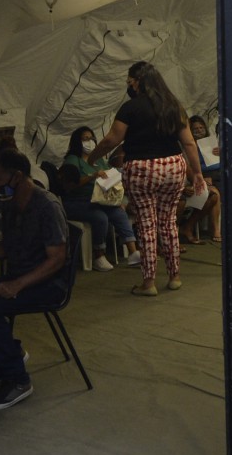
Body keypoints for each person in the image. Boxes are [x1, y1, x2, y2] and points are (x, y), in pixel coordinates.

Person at [0, 147, 68, 411]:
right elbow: (9, 246)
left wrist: (17, 284)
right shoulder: (11, 204)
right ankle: (9, 356)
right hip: (22, 276)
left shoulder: (47, 206)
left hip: (48, 284)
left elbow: (56, 260)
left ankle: (18, 380)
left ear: (17, 177)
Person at [86, 60, 205, 297]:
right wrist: (198, 173)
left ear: (138, 82)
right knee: (168, 221)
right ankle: (174, 277)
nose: (129, 86)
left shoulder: (130, 108)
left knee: (147, 225)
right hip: (173, 166)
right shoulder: (174, 106)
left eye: (130, 82)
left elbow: (112, 139)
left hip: (141, 168)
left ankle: (149, 282)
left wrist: (92, 158)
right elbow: (189, 142)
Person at [59, 126, 138, 271]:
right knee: (100, 217)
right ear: (78, 141)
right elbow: (70, 185)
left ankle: (133, 252)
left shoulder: (99, 159)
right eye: (85, 139)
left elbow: (110, 175)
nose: (89, 142)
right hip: (77, 202)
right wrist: (92, 176)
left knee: (119, 212)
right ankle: (99, 256)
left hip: (100, 200)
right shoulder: (73, 160)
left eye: (91, 138)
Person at [180, 115, 222, 244]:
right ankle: (215, 230)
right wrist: (202, 178)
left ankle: (188, 228)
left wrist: (222, 152)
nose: (199, 130)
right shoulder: (188, 146)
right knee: (215, 194)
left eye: (201, 127)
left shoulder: (212, 142)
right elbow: (189, 168)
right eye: (195, 129)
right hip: (202, 176)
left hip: (218, 173)